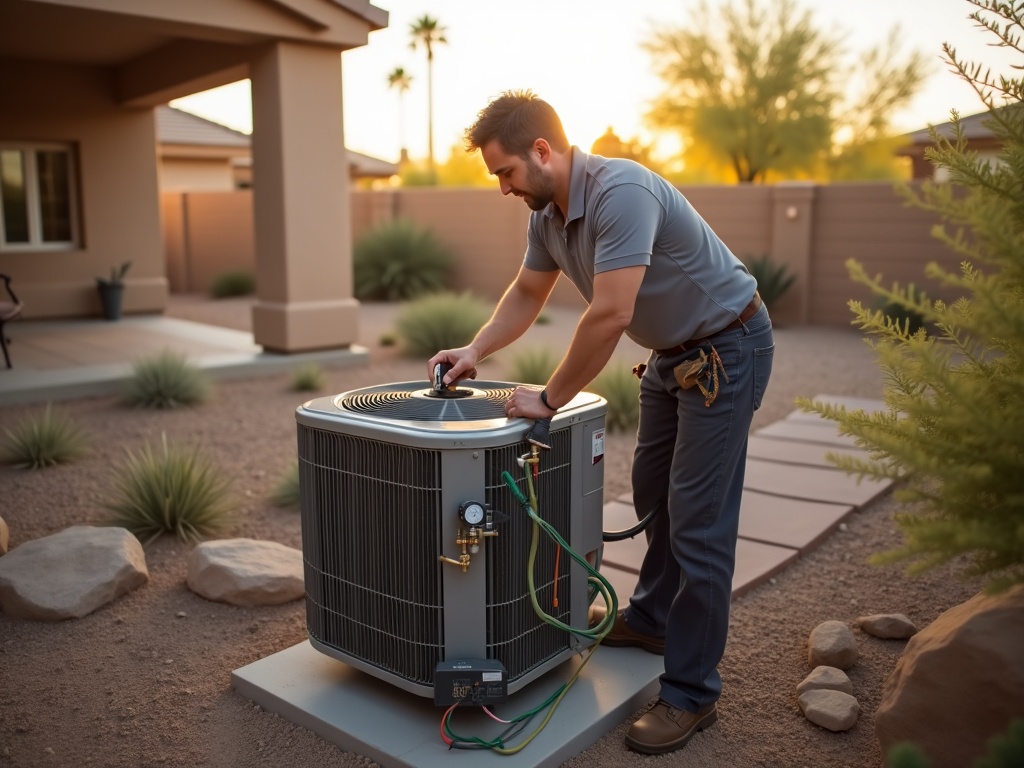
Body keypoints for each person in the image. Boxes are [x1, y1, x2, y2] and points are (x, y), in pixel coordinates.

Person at [426, 90, 774, 755]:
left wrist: (550, 397)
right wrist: (475, 350)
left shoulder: (622, 193)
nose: (503, 188)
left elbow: (611, 313)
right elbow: (528, 292)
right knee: (652, 493)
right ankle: (652, 618)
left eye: (506, 172)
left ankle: (692, 693)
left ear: (542, 150)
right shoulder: (547, 216)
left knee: (698, 521)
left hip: (728, 348)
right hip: (671, 357)